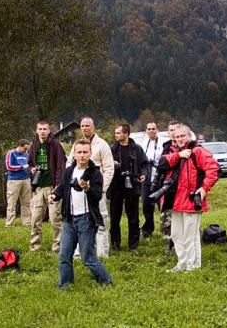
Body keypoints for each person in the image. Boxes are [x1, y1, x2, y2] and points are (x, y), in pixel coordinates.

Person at [48, 139, 113, 288]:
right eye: (79, 152)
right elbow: (62, 188)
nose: (82, 155)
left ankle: (106, 282)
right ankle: (65, 285)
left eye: (85, 152)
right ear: (74, 154)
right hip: (69, 219)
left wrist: (87, 188)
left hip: (87, 219)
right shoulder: (69, 171)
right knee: (64, 256)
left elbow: (97, 196)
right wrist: (54, 195)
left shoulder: (95, 173)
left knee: (87, 258)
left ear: (90, 153)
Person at [162, 125, 219, 272]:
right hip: (175, 200)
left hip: (192, 199)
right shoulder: (174, 152)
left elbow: (213, 168)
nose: (180, 139)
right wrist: (178, 156)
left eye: (183, 136)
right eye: (178, 136)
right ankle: (182, 262)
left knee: (190, 235)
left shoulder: (197, 151)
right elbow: (161, 164)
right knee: (176, 234)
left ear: (189, 136)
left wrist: (205, 188)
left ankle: (193, 265)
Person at [66, 117, 114, 258]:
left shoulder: (102, 145)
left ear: (93, 127)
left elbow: (109, 168)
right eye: (82, 126)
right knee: (80, 219)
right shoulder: (77, 145)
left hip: (96, 188)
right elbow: (69, 165)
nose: (85, 128)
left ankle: (102, 253)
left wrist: (101, 188)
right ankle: (79, 251)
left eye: (87, 125)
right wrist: (72, 184)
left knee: (101, 220)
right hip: (78, 189)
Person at [109, 124, 150, 251]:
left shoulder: (137, 149)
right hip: (116, 186)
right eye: (115, 133)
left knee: (133, 218)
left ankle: (133, 245)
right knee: (115, 217)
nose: (115, 135)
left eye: (118, 133)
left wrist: (143, 174)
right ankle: (115, 243)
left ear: (126, 134)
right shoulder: (112, 149)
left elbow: (145, 164)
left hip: (132, 186)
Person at [28, 120, 66, 253]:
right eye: (40, 129)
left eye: (45, 129)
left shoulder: (55, 145)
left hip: (52, 186)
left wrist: (58, 186)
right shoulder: (34, 145)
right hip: (38, 187)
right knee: (35, 219)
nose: (43, 131)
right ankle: (35, 246)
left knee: (55, 219)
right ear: (36, 130)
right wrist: (32, 169)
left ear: (49, 130)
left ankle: (58, 247)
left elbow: (61, 166)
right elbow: (30, 163)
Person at [156, 120, 181, 254]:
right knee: (166, 219)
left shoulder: (185, 146)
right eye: (170, 130)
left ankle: (181, 247)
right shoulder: (165, 147)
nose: (173, 133)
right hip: (167, 186)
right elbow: (162, 164)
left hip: (181, 187)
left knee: (181, 219)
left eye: (175, 130)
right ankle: (169, 246)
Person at [140, 122, 164, 238]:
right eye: (149, 129)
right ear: (146, 130)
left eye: (153, 129)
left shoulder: (163, 142)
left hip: (159, 177)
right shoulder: (144, 143)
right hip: (147, 178)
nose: (151, 131)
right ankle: (147, 229)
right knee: (146, 205)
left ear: (157, 129)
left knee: (162, 205)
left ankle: (166, 228)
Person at [4, 139, 32, 227]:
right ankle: (9, 224)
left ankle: (27, 222)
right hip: (14, 180)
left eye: (27, 149)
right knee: (12, 202)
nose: (26, 151)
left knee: (27, 202)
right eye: (24, 148)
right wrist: (22, 167)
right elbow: (9, 166)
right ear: (19, 146)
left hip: (26, 179)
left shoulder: (27, 155)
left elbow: (29, 166)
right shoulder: (11, 153)